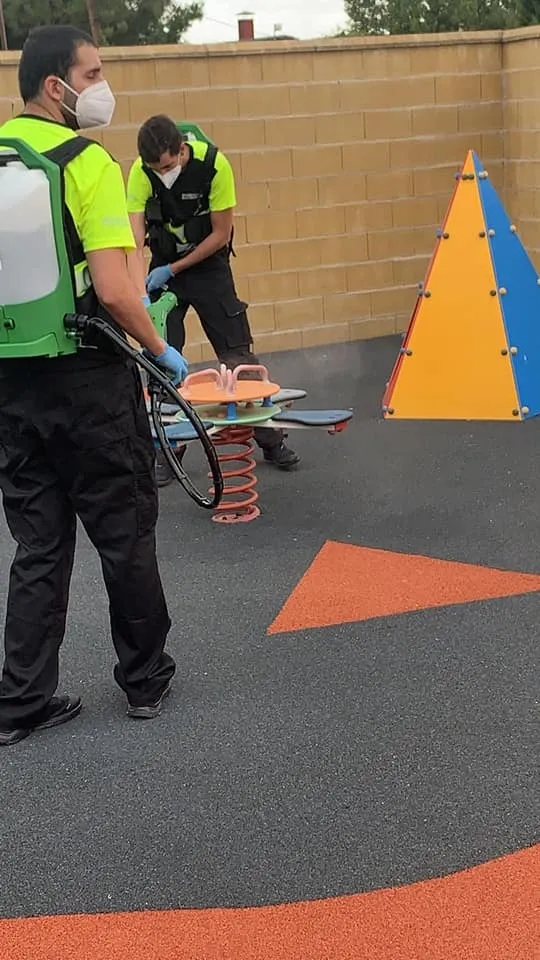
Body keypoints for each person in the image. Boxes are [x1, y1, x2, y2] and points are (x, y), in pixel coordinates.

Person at [0, 26, 187, 746]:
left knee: (38, 544)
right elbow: (113, 288)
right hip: (87, 380)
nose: (102, 87)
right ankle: (144, 681)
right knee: (124, 531)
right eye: (93, 74)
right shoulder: (87, 164)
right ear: (57, 87)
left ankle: (21, 702)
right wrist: (160, 349)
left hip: (12, 385)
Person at [125, 114, 300, 487]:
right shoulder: (140, 172)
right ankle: (168, 451)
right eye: (156, 170)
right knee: (161, 361)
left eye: (168, 167)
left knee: (238, 357)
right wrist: (140, 292)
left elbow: (220, 234)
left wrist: (174, 269)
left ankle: (271, 441)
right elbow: (134, 238)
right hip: (162, 269)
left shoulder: (215, 166)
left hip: (208, 266)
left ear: (182, 151)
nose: (162, 174)